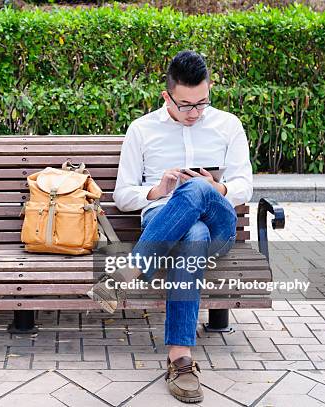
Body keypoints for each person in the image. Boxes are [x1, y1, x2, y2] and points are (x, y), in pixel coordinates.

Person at [87, 50, 253, 403]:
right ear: (167, 96)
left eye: (202, 103)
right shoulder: (142, 129)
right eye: (185, 105)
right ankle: (180, 359)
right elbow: (123, 195)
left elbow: (245, 186)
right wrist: (156, 191)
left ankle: (130, 271)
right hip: (171, 226)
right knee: (191, 234)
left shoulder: (229, 125)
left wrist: (216, 188)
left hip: (219, 226)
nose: (194, 113)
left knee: (195, 189)